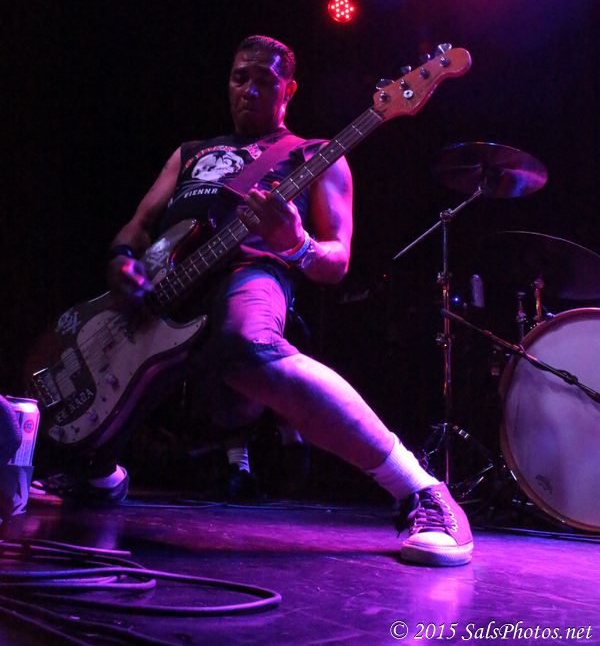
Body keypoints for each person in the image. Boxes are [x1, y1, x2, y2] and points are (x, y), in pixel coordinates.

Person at [74, 35, 474, 566]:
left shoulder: (315, 155)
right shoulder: (190, 153)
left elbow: (336, 261)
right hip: (162, 290)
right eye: (240, 77)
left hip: (251, 272)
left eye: (265, 80)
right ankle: (94, 468)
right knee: (105, 374)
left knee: (246, 344)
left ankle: (421, 491)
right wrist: (122, 259)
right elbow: (140, 225)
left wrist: (297, 244)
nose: (249, 89)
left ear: (289, 90)